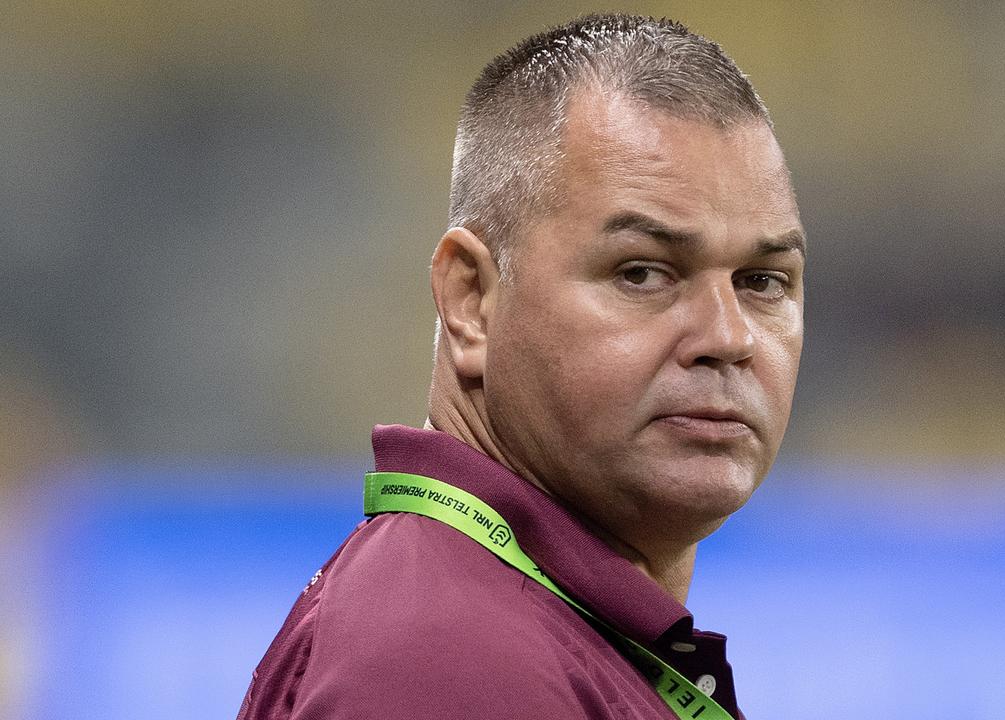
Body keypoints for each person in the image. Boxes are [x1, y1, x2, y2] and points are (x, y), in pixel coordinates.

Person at [238, 13, 804, 720]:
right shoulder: (446, 664)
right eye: (642, 273)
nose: (728, 336)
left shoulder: (513, 628)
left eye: (763, 281)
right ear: (471, 299)